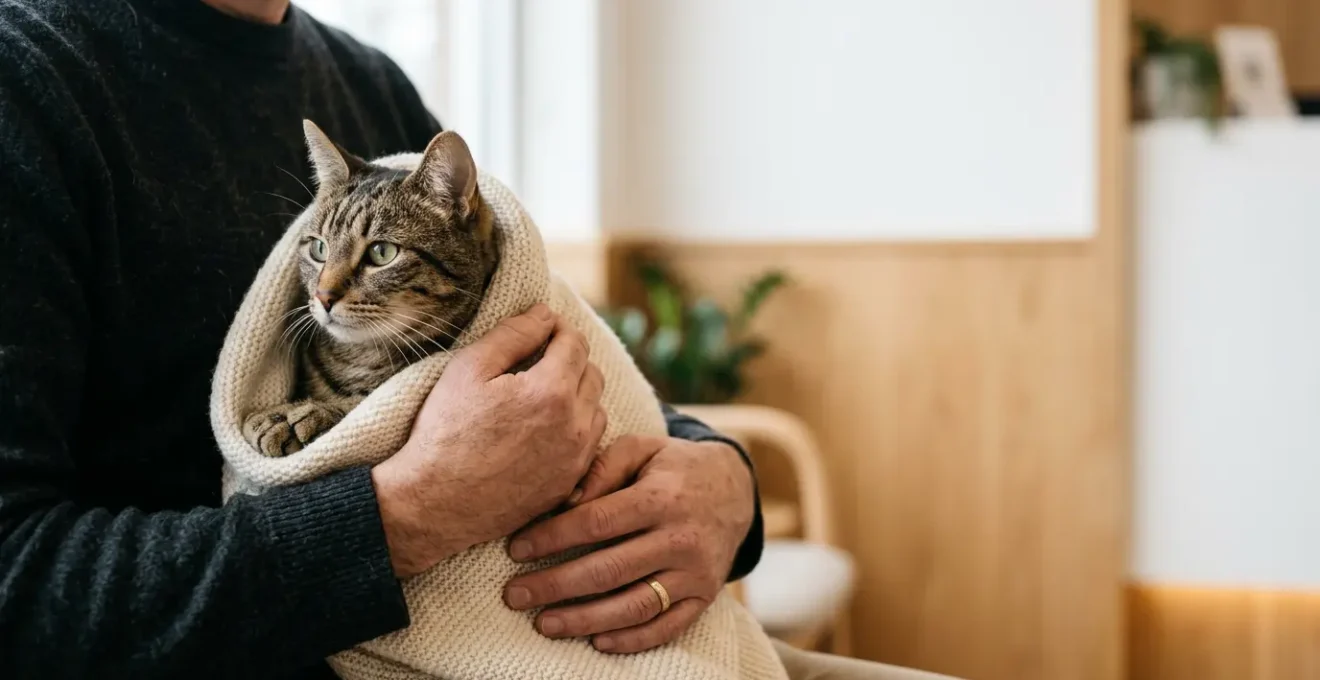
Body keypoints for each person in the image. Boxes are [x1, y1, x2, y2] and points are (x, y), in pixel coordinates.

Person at [0, 1, 958, 678]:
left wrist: (720, 480)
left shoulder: (370, 86)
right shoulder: (28, 79)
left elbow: (535, 340)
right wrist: (407, 516)